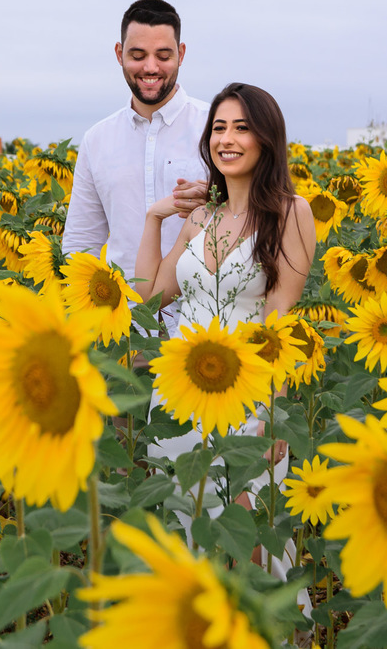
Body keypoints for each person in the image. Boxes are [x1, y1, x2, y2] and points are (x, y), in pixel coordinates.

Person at [135, 83, 315, 610]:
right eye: (219, 127)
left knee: (245, 544)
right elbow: (150, 296)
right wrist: (155, 217)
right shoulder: (200, 218)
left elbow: (279, 321)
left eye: (242, 127)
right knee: (181, 535)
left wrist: (271, 420)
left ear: (267, 139)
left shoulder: (290, 212)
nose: (228, 138)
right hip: (176, 399)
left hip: (246, 403)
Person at [62, 0, 210, 294]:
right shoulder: (97, 140)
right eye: (138, 55)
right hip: (123, 326)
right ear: (119, 53)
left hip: (203, 319)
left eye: (163, 56)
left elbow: (256, 220)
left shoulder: (215, 129)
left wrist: (218, 203)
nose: (150, 67)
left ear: (181, 54)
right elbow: (81, 243)